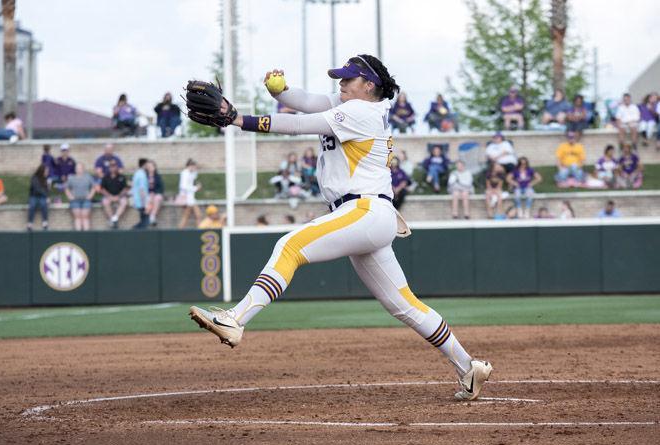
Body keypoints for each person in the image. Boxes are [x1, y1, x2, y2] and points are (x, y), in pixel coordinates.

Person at [186, 54, 492, 401]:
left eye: (348, 79)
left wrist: (238, 119)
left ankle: (236, 318)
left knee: (290, 246)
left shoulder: (363, 111)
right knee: (403, 304)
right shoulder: (349, 104)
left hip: (363, 208)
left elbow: (301, 125)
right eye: (341, 78)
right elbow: (305, 103)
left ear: (369, 85)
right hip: (368, 214)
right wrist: (282, 91)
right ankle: (469, 367)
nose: (341, 84)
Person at [65, 163, 95, 231]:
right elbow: (66, 188)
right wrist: (70, 196)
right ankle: (78, 234)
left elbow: (94, 187)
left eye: (80, 168)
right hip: (75, 200)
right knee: (77, 216)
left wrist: (90, 196)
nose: (79, 170)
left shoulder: (88, 177)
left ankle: (86, 234)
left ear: (83, 169)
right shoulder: (71, 178)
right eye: (77, 168)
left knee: (85, 216)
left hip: (86, 200)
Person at [100, 160, 129, 229]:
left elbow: (125, 189)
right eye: (111, 166)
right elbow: (102, 189)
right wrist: (110, 196)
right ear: (109, 168)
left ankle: (114, 218)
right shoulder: (105, 177)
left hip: (119, 196)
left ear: (117, 167)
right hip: (109, 196)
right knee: (105, 201)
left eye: (114, 166)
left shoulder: (122, 177)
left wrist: (119, 196)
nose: (113, 168)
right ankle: (112, 220)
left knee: (124, 201)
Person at [177, 158, 202, 228]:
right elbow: (183, 186)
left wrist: (195, 170)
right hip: (187, 198)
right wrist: (196, 188)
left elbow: (194, 176)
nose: (194, 168)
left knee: (196, 215)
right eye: (193, 166)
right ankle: (179, 231)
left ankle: (199, 230)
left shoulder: (190, 173)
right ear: (189, 166)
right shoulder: (185, 173)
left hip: (190, 198)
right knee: (189, 216)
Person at [27, 164, 50, 231]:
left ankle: (45, 222)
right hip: (34, 196)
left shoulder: (46, 179)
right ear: (42, 171)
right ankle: (30, 223)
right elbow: (37, 189)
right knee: (32, 205)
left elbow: (46, 190)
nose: (47, 172)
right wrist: (46, 196)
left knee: (44, 204)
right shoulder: (34, 178)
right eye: (46, 171)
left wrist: (47, 195)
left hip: (42, 197)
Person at [131, 158, 150, 229]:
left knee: (143, 220)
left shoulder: (137, 173)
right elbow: (142, 190)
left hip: (138, 200)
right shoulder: (142, 175)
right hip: (142, 201)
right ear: (144, 165)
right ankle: (135, 230)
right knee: (145, 222)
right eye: (147, 164)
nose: (148, 166)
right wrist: (145, 203)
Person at [145, 160, 164, 227]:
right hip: (146, 195)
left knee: (157, 198)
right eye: (149, 166)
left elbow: (161, 188)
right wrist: (149, 193)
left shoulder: (158, 176)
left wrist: (154, 193)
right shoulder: (144, 176)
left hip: (156, 194)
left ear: (155, 167)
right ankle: (146, 220)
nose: (150, 168)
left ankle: (152, 216)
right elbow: (142, 187)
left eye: (152, 166)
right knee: (149, 201)